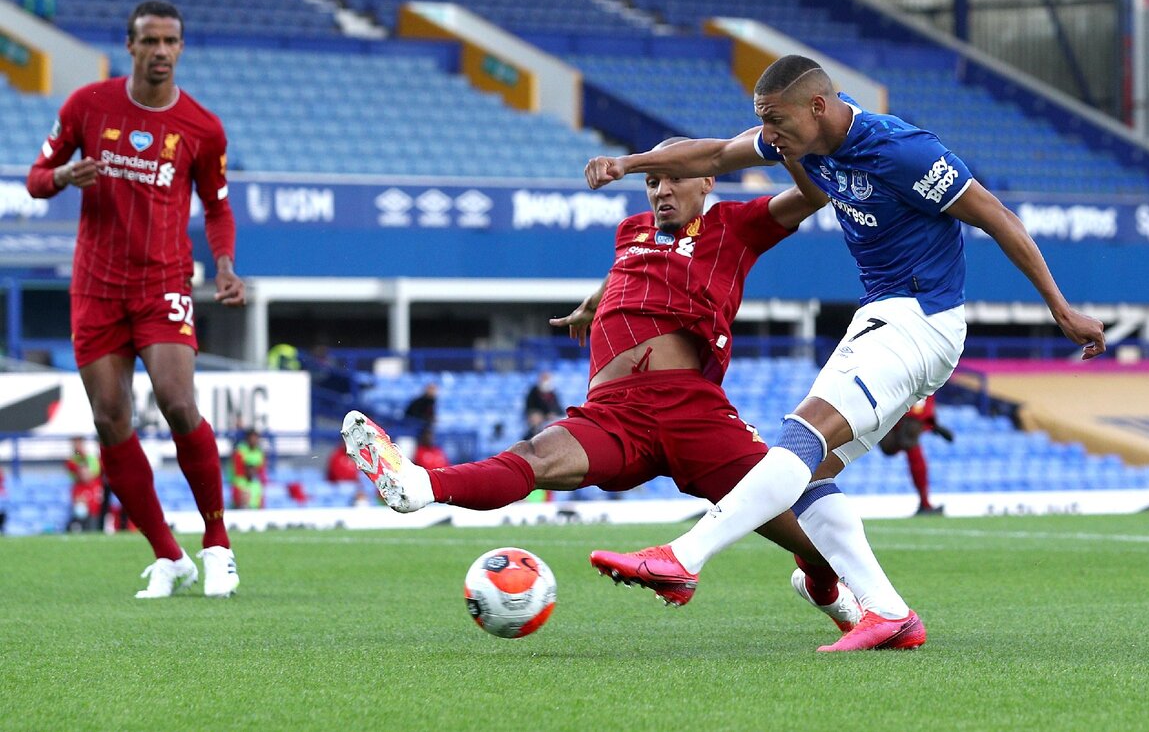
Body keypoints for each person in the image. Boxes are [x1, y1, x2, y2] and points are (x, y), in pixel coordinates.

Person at [582, 54, 1106, 650]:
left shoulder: (903, 151)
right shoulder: (800, 141)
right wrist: (629, 163)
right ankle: (883, 612)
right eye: (764, 124)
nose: (770, 138)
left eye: (776, 122)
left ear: (818, 106)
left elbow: (997, 217)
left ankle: (682, 557)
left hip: (918, 315)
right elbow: (712, 154)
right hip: (887, 316)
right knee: (802, 476)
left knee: (798, 438)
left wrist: (1061, 309)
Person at [341, 137, 865, 636]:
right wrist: (595, 303)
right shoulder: (630, 231)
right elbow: (627, 269)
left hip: (691, 408)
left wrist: (791, 148)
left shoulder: (736, 225)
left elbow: (815, 194)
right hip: (614, 413)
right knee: (534, 455)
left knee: (798, 522)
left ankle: (825, 586)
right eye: (652, 182)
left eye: (673, 178)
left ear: (708, 179)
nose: (661, 191)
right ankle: (418, 487)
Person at [26, 0, 244, 599]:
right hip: (96, 286)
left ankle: (218, 542)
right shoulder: (87, 106)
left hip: (163, 282)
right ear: (130, 46)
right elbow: (36, 177)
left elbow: (219, 205)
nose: (161, 52)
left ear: (180, 47)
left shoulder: (202, 127)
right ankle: (167, 555)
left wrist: (224, 266)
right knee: (109, 418)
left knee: (177, 401)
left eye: (170, 41)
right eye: (150, 41)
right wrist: (63, 177)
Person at [878, 395, 954, 515]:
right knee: (891, 445)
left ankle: (925, 503)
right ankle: (925, 504)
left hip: (913, 395)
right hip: (893, 400)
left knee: (909, 437)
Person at [66, 436, 103, 531]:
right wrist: (77, 451)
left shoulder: (91, 459)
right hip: (84, 507)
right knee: (80, 510)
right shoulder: (75, 459)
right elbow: (74, 464)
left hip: (95, 510)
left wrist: (80, 451)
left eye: (79, 443)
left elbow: (93, 468)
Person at [230, 429, 267, 509]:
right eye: (252, 438)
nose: (254, 440)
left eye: (255, 438)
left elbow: (261, 470)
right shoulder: (240, 451)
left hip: (253, 481)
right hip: (242, 480)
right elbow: (237, 469)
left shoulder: (259, 452)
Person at [523, 370, 564, 439]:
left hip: (549, 422)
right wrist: (537, 415)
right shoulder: (533, 392)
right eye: (544, 378)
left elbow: (559, 409)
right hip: (538, 422)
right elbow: (529, 408)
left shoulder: (552, 393)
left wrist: (553, 414)